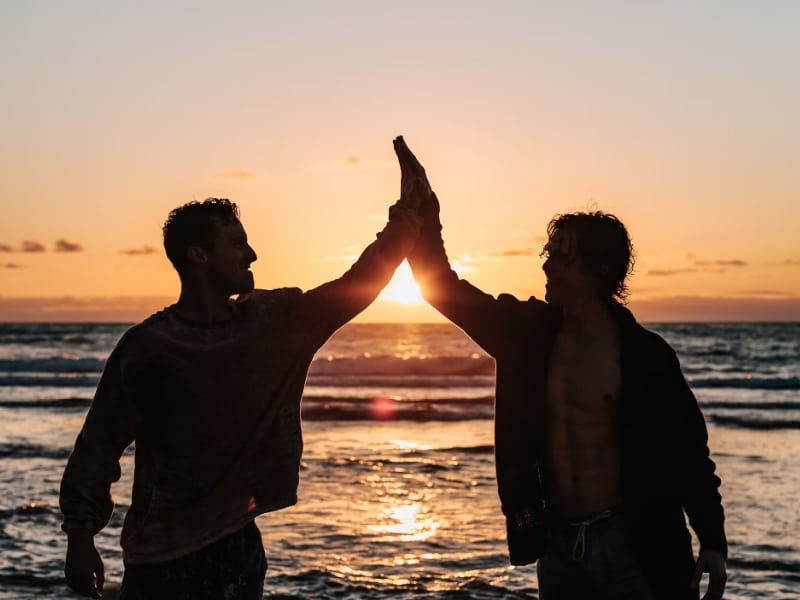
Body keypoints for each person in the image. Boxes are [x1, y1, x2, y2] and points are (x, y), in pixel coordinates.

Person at [59, 139, 425, 599]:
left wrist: (406, 219)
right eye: (237, 244)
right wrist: (79, 537)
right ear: (198, 255)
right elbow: (99, 443)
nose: (251, 255)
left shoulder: (271, 322)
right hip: (163, 556)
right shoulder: (150, 348)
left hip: (236, 547)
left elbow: (356, 285)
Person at [394, 137, 727, 600]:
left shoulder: (646, 356)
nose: (546, 265)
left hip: (635, 543)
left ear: (599, 270)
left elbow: (688, 451)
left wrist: (712, 539)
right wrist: (425, 210)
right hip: (559, 545)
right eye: (547, 253)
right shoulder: (524, 335)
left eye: (560, 256)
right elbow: (441, 287)